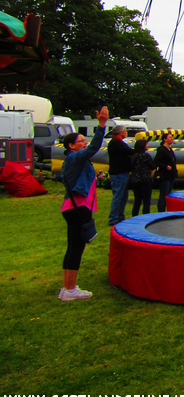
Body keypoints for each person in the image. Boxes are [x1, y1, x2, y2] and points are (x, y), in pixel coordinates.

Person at [58, 106, 108, 301]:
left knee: (74, 247)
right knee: (75, 248)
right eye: (80, 141)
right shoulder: (74, 158)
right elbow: (93, 148)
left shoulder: (75, 161)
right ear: (71, 146)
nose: (84, 142)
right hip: (77, 208)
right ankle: (69, 290)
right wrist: (101, 125)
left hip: (76, 207)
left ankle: (68, 287)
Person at [107, 124, 134, 226]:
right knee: (118, 196)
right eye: (125, 131)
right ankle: (113, 218)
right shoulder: (116, 143)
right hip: (119, 174)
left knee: (123, 196)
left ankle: (120, 216)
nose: (126, 133)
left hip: (123, 172)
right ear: (120, 132)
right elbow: (128, 151)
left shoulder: (119, 143)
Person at [129, 139, 156, 216]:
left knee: (137, 200)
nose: (148, 146)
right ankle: (145, 217)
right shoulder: (145, 155)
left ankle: (134, 216)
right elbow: (153, 165)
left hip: (135, 180)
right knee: (146, 201)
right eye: (147, 144)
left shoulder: (134, 156)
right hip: (145, 180)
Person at [154, 132, 177, 212]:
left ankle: (167, 209)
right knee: (164, 194)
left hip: (171, 175)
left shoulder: (170, 149)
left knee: (168, 194)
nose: (171, 139)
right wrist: (165, 166)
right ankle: (161, 210)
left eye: (172, 137)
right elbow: (156, 161)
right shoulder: (161, 149)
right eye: (170, 137)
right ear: (165, 139)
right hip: (165, 175)